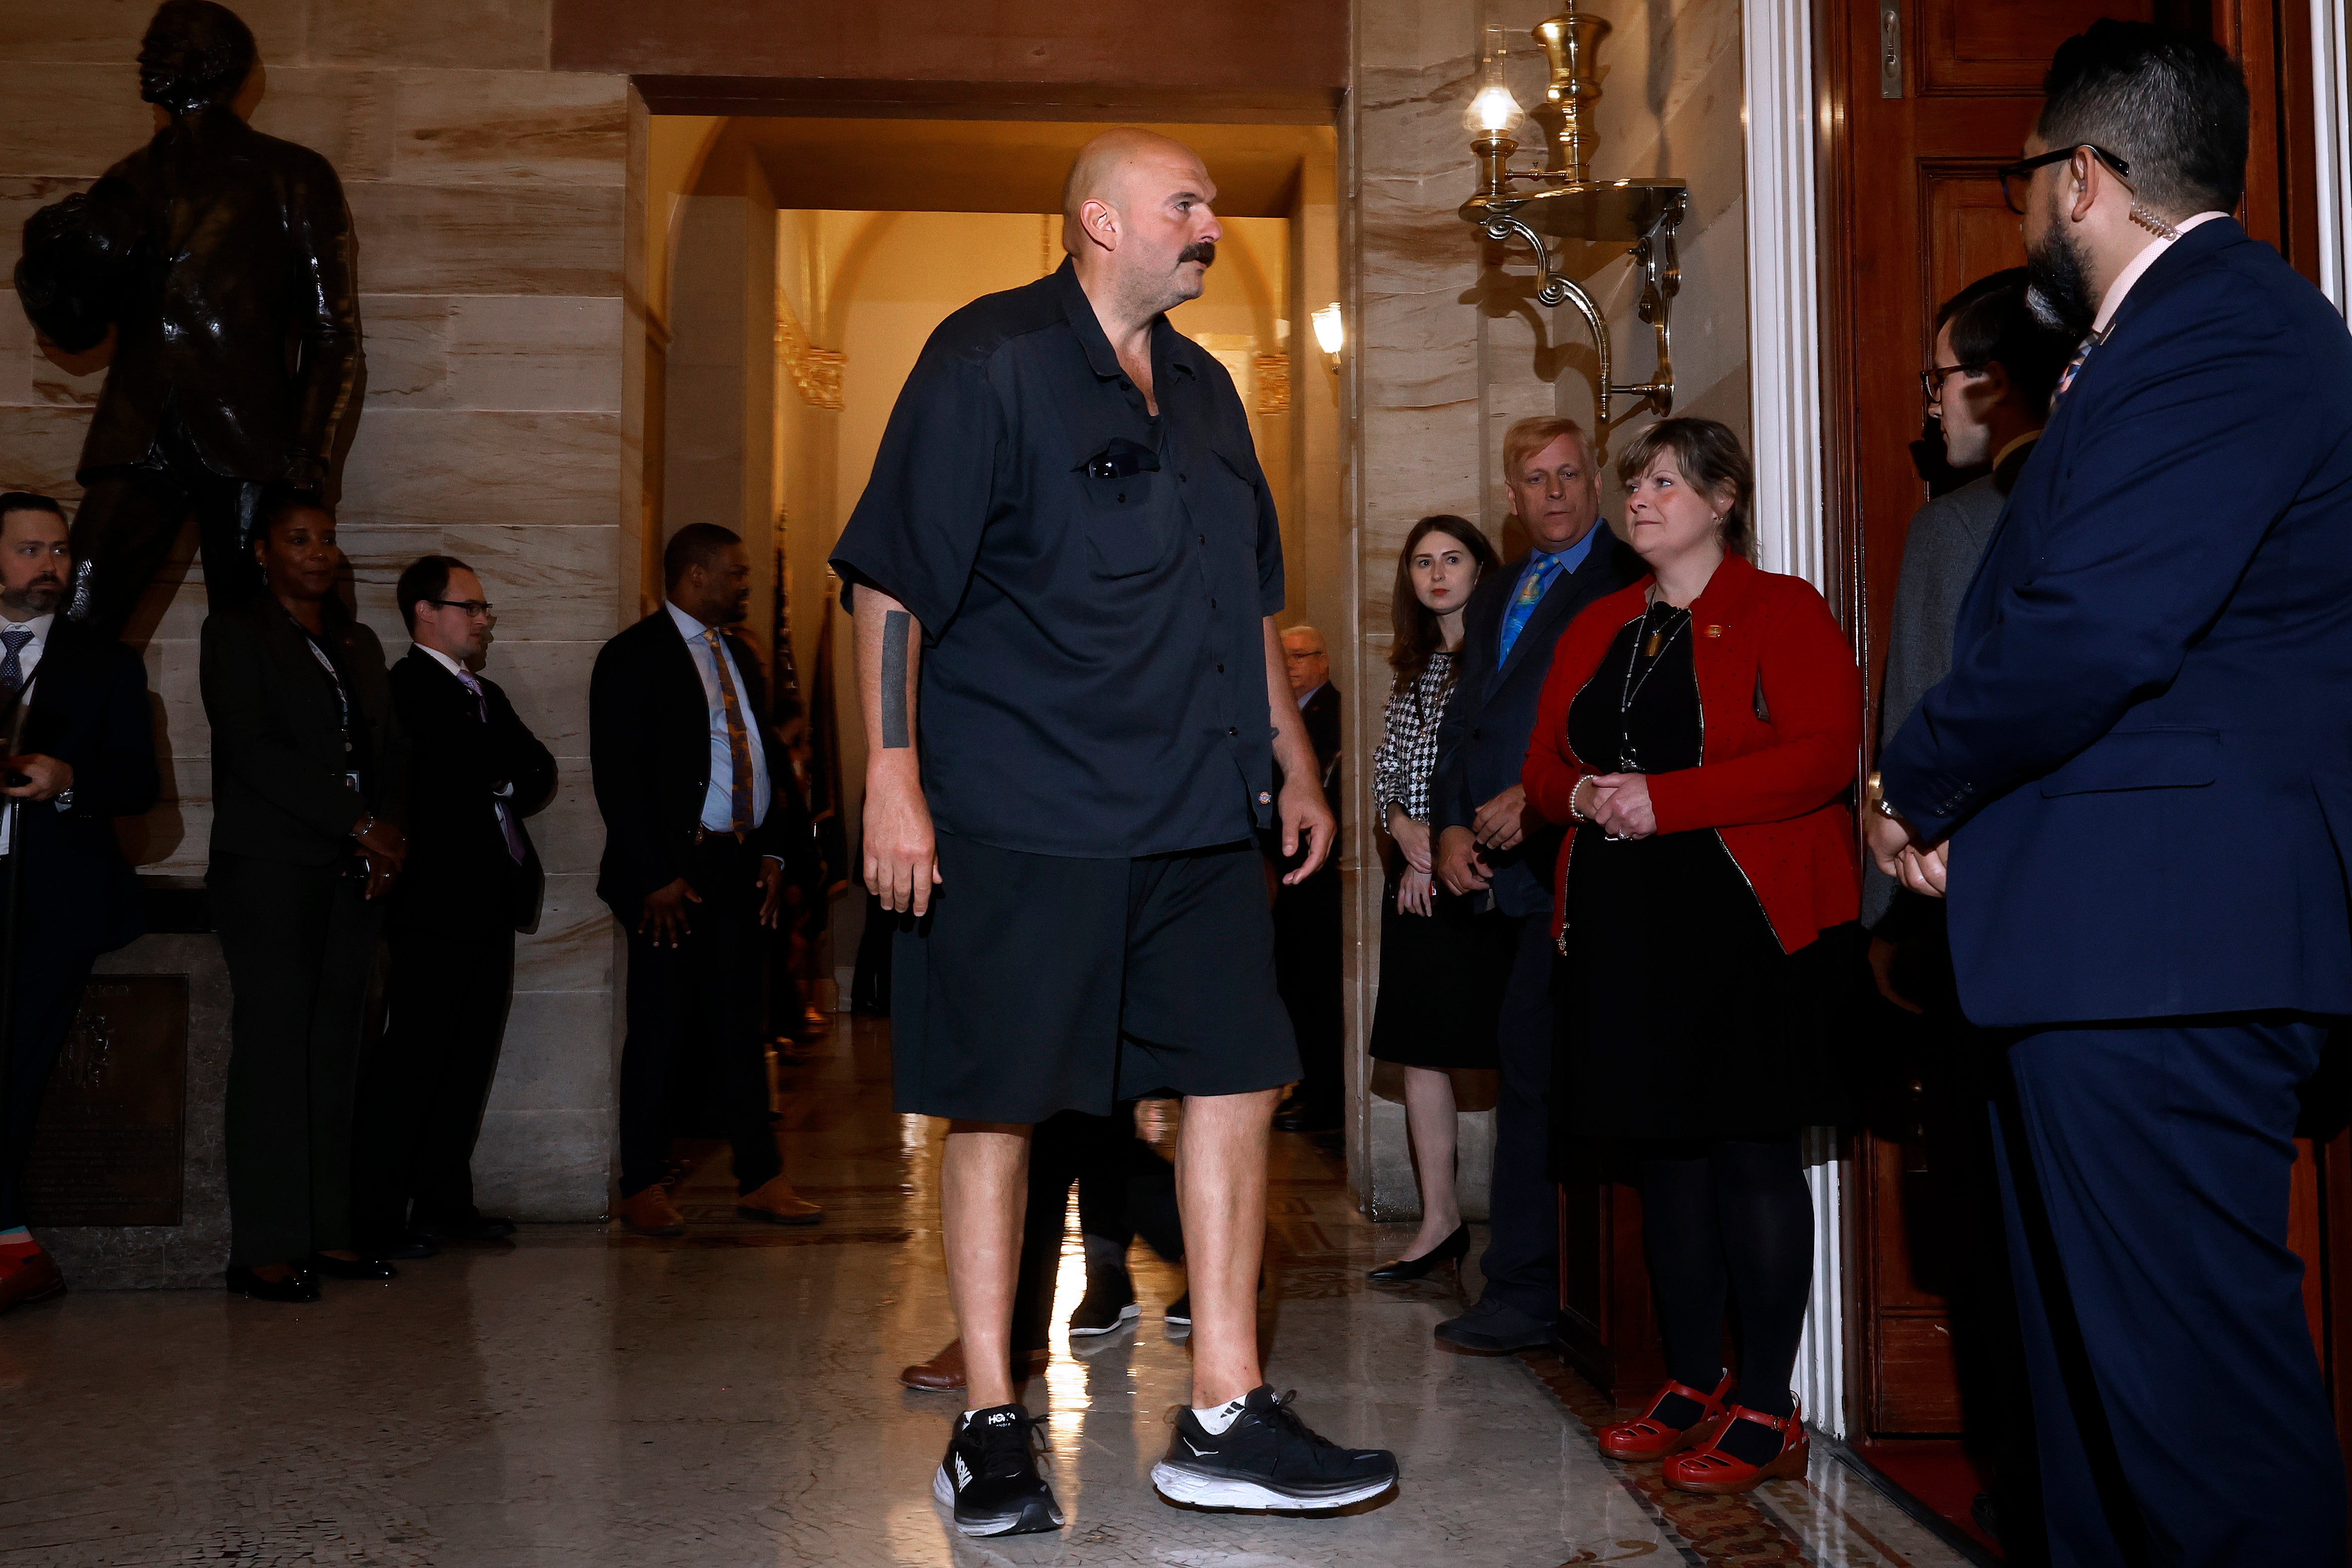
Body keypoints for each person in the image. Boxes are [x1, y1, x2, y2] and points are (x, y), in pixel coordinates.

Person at [832, 126, 1396, 1537]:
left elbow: (1244, 599)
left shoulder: (1206, 390)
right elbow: (890, 584)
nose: (1209, 226)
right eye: (1183, 205)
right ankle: (987, 1418)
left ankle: (1221, 1409)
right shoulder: (987, 360)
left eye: (1208, 205)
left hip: (1199, 813)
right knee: (1001, 1100)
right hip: (1023, 810)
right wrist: (888, 773)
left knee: (1235, 1076)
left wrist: (1293, 762)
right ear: (1098, 220)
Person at [1870, 22, 2352, 1566]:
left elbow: (2093, 625)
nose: (2017, 212)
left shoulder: (2223, 328)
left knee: (2198, 1433)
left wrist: (1914, 780)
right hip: (2101, 948)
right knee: (2089, 1418)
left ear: (2079, 178)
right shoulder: (2166, 340)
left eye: (2023, 181)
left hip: (2160, 955)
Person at [1524, 418, 1860, 1494]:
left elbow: (1823, 756)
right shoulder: (1601, 622)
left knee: (1750, 1152)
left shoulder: (1781, 607)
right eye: (1636, 483)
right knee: (1663, 1155)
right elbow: (1542, 766)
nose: (1641, 498)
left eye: (1665, 481)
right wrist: (1581, 794)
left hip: (1743, 917)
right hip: (1625, 923)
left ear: (1722, 500)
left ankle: (1767, 1400)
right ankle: (1690, 1377)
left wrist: (1667, 800)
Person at [1868, 268, 2069, 1561]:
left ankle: (2024, 1491)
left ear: (1990, 383)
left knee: (2007, 1242)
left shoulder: (1959, 527)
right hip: (2071, 922)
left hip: (1978, 920)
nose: (1932, 402)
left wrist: (1890, 885)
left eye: (1941, 377)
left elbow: (1912, 734)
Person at [13, 1, 363, 636]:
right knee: (80, 616)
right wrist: (44, 267)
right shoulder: (124, 182)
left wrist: (309, 452)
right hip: (138, 436)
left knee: (261, 635)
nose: (146, 56)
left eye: (167, 43)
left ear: (217, 63)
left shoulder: (292, 174)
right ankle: (51, 740)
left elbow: (331, 331)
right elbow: (78, 331)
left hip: (251, 441)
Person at [1428, 415, 1640, 1352]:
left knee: (1548, 1071)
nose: (1554, 491)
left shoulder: (1629, 578)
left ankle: (1536, 1289)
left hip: (1582, 864)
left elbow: (1624, 722)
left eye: (1569, 474)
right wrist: (1443, 821)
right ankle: (1524, 1282)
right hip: (1497, 878)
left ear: (1594, 483)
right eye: (1535, 478)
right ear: (1510, 498)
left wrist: (1538, 797)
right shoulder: (1500, 589)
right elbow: (1463, 717)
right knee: (1523, 1070)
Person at [202, 492, 408, 1304]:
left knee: (336, 1049)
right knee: (275, 1054)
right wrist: (359, 821)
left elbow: (392, 746)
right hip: (271, 869)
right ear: (261, 551)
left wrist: (390, 832)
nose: (318, 551)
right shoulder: (236, 633)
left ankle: (329, 1228)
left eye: (327, 538)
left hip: (353, 869)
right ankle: (265, 1244)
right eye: (298, 539)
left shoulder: (356, 641)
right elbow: (251, 750)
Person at [590, 523, 820, 1238]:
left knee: (738, 1029)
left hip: (738, 867)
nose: (745, 585)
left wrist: (777, 853)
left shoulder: (738, 658)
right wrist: (652, 873)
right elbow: (616, 775)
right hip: (672, 875)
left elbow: (767, 761)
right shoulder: (633, 657)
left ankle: (761, 1176)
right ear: (695, 575)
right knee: (659, 1031)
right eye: (737, 573)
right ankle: (642, 1185)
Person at [351, 557, 555, 1257]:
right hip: (433, 906)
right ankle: (378, 1216)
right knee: (413, 1061)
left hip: (490, 904)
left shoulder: (485, 693)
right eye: (470, 606)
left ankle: (445, 1202)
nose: (482, 619)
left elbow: (536, 769)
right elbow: (451, 770)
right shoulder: (405, 689)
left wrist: (496, 771)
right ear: (425, 615)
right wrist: (496, 770)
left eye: (482, 607)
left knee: (467, 1060)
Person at [0, 494, 159, 1314]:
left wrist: (69, 784)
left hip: (52, 896)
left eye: (59, 550)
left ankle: (10, 1237)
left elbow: (140, 781)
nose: (50, 566)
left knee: (17, 1068)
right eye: (30, 550)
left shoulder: (105, 663)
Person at [1364, 514, 1507, 1282]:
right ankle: (1439, 1221)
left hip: (1477, 874)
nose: (1438, 574)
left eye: (1453, 559)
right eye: (1423, 562)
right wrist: (1399, 826)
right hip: (1412, 878)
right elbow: (1389, 766)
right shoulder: (1412, 666)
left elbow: (1494, 769)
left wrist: (1440, 842)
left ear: (1482, 570)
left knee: (1499, 1045)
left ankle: (1526, 1232)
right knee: (1419, 1049)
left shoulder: (1500, 659)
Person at [1271, 624, 1343, 1135]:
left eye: (1302, 656)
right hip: (1278, 874)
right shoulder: (1275, 716)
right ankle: (1304, 1089)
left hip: (1320, 877)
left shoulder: (1335, 712)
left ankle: (1324, 1098)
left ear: (1323, 660)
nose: (1294, 666)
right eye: (1285, 658)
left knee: (1319, 993)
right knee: (1291, 988)